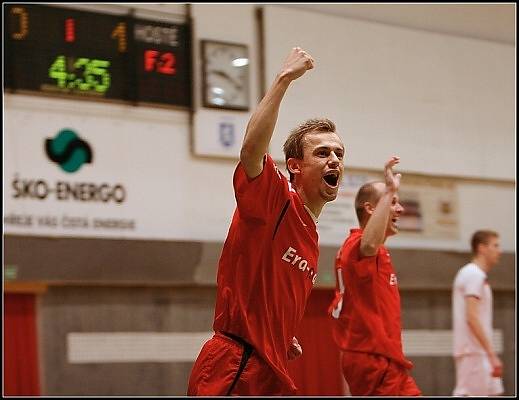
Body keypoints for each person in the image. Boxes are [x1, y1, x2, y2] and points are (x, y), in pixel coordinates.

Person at [187, 47, 345, 396]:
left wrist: (279, 335)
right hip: (235, 364)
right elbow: (250, 152)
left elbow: (267, 294)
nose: (334, 159)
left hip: (269, 367)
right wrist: (283, 79)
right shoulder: (275, 202)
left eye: (338, 153)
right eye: (322, 152)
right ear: (294, 166)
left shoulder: (311, 236)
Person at [328, 157, 421, 396]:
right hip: (372, 359)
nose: (399, 208)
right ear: (371, 208)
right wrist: (390, 189)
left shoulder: (376, 250)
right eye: (392, 202)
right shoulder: (359, 245)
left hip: (388, 359)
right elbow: (369, 243)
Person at [452, 230, 504, 396]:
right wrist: (491, 353)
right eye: (495, 245)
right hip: (473, 351)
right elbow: (471, 317)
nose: (499, 251)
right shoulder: (473, 274)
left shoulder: (477, 275)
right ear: (482, 248)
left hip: (479, 352)